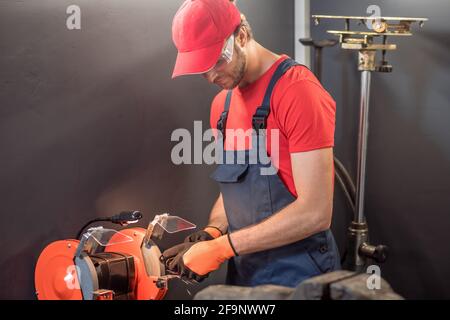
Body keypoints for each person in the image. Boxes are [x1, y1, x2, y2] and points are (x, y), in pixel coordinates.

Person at [161, 0, 340, 287]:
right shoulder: (222, 105)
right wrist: (213, 232)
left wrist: (222, 249)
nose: (211, 77)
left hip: (299, 275)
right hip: (246, 271)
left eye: (216, 61)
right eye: (201, 69)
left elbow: (316, 213)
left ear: (241, 36)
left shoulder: (297, 91)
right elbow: (235, 189)